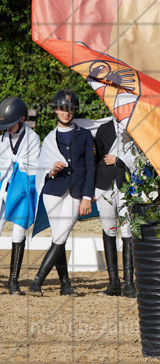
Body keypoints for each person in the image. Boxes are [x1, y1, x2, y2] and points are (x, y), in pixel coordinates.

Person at [28, 89, 95, 296]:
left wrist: (86, 197)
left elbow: (91, 167)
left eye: (70, 109)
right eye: (63, 109)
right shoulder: (49, 138)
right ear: (56, 110)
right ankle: (65, 286)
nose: (67, 113)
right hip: (53, 190)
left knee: (61, 235)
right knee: (60, 236)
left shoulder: (84, 135)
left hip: (76, 193)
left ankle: (36, 282)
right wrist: (52, 171)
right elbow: (43, 169)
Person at [0, 97, 41, 294]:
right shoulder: (2, 137)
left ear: (22, 119)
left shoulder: (33, 139)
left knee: (18, 232)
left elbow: (32, 170)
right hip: (3, 186)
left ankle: (13, 281)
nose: (7, 128)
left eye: (10, 124)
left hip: (23, 187)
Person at [93, 116, 137, 297]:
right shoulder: (103, 129)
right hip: (104, 185)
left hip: (126, 185)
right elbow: (95, 160)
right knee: (109, 229)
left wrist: (119, 161)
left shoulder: (135, 128)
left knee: (127, 230)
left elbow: (139, 156)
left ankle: (129, 283)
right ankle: (113, 283)